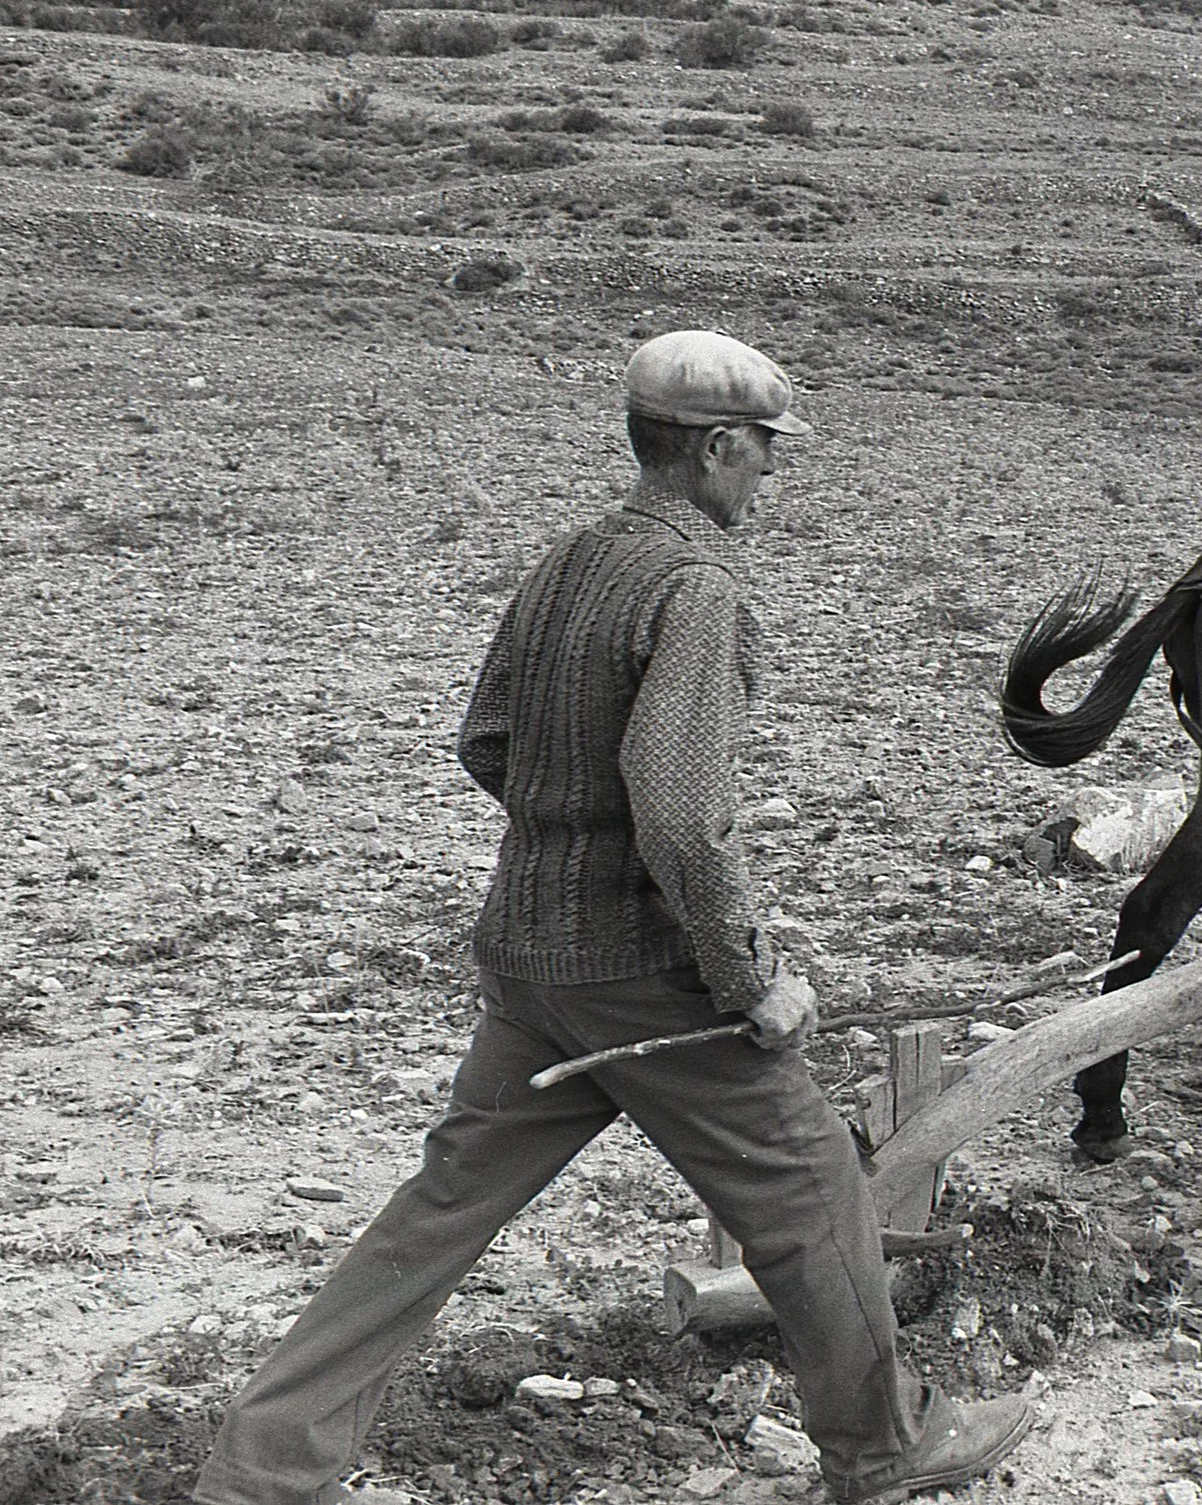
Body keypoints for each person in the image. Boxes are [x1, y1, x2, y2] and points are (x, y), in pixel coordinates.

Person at [192, 330, 1033, 1505]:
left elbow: (486, 740)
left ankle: (260, 1469)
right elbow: (683, 822)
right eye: (765, 456)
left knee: (439, 1212)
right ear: (718, 447)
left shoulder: (572, 558)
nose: (771, 477)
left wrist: (566, 836)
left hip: (529, 959)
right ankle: (883, 1451)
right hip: (644, 977)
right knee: (815, 1200)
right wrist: (747, 979)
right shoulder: (698, 586)